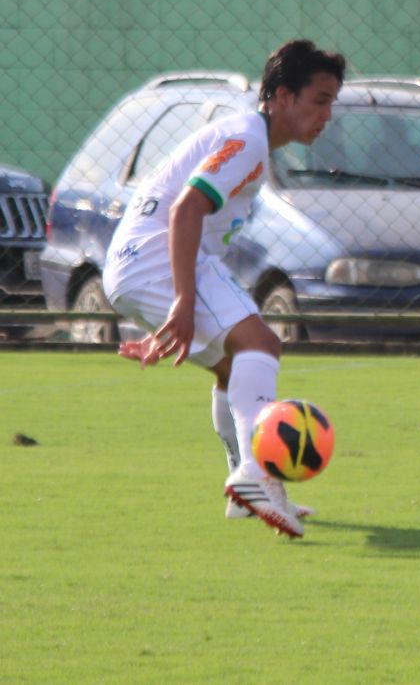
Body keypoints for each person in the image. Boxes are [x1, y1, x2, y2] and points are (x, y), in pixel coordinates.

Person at [106, 39, 346, 538]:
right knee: (262, 344)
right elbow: (186, 209)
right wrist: (182, 301)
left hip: (134, 265)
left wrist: (172, 307)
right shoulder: (248, 140)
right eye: (320, 100)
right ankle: (256, 473)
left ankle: (247, 492)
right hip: (155, 257)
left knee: (233, 366)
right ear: (282, 96)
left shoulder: (249, 139)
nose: (327, 115)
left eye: (332, 103)